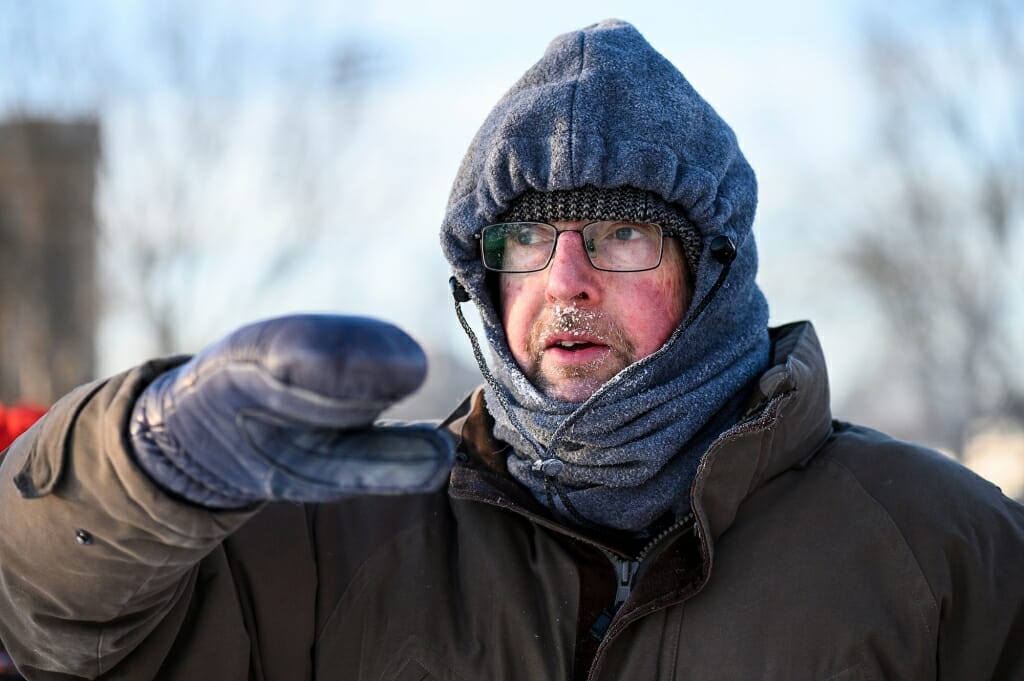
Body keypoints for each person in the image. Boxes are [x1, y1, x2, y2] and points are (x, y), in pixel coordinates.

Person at [0, 19, 1021, 681]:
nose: (564, 282)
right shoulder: (336, 544)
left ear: (711, 271)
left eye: (619, 234)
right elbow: (52, 635)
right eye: (527, 240)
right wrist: (144, 474)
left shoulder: (940, 549)